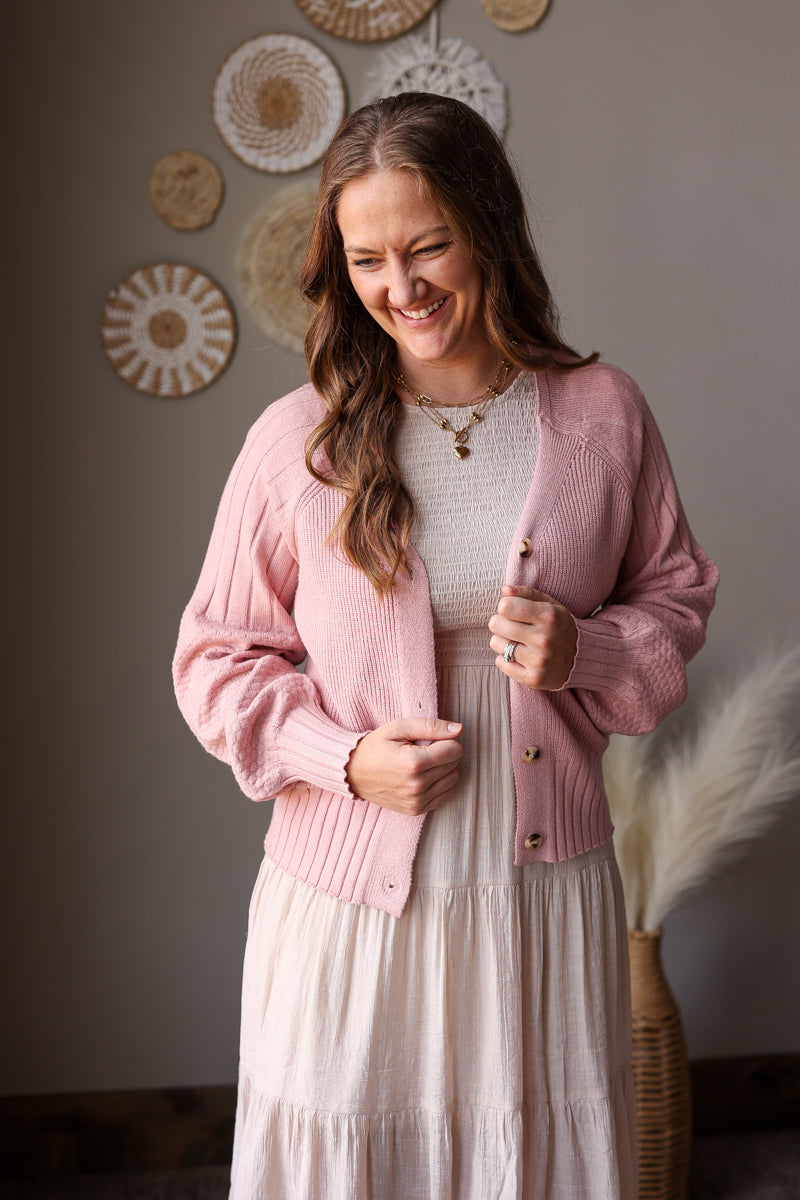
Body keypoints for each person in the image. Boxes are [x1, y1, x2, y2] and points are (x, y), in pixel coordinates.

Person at [173, 92, 718, 1200]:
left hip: (539, 888)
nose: (400, 287)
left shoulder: (602, 414)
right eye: (366, 258)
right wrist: (343, 759)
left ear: (487, 229)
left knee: (534, 1163)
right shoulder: (298, 443)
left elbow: (674, 605)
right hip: (351, 893)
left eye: (426, 246)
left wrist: (589, 654)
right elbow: (213, 658)